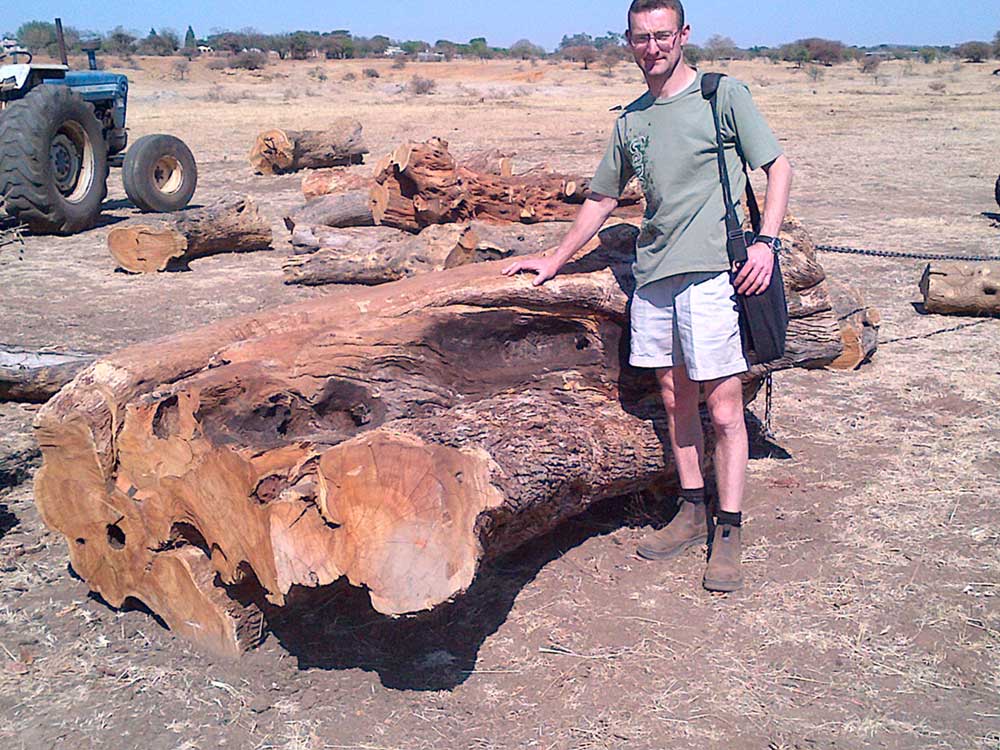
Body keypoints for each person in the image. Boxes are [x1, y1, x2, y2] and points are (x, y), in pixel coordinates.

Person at [501, 0, 793, 592]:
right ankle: (690, 509)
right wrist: (556, 258)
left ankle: (728, 530)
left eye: (663, 35)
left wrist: (766, 243)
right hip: (655, 273)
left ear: (683, 34)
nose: (653, 47)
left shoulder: (720, 96)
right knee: (673, 395)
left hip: (715, 272)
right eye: (642, 37)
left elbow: (779, 168)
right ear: (629, 42)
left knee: (724, 406)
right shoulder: (630, 119)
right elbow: (603, 197)